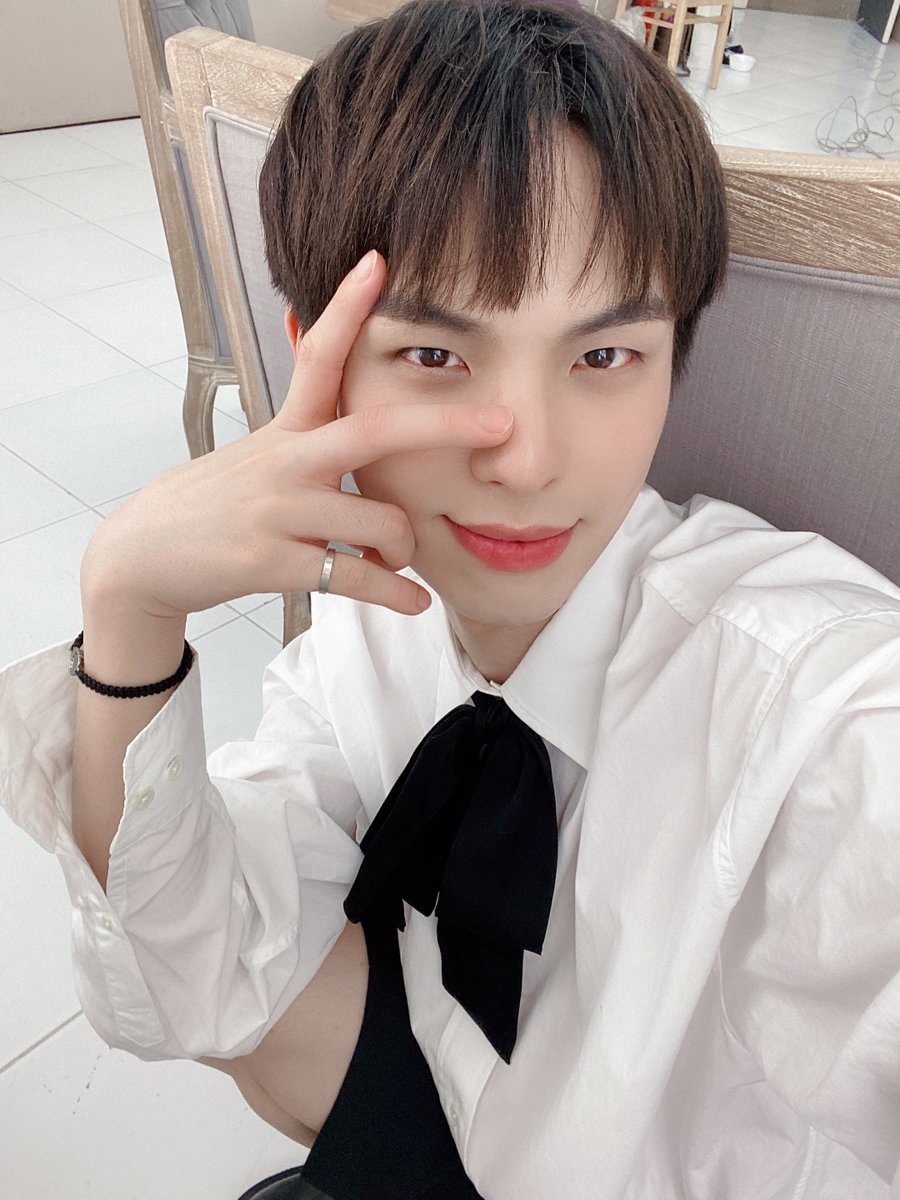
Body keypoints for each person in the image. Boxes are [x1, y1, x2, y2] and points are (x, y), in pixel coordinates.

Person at [2, 2, 899, 1198]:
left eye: (603, 356)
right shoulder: (378, 601)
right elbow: (177, 982)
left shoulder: (815, 711)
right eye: (435, 356)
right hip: (441, 1094)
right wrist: (128, 609)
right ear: (316, 358)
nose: (525, 463)